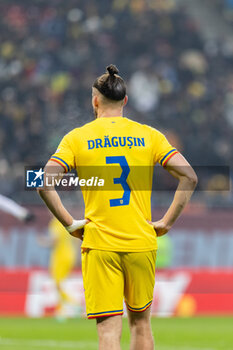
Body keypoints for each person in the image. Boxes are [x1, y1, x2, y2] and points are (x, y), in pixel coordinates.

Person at [38, 64, 197, 350]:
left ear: (95, 100)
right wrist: (167, 222)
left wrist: (70, 224)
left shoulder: (76, 138)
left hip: (99, 244)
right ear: (125, 101)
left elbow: (43, 183)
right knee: (141, 324)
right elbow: (190, 176)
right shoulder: (149, 136)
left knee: (109, 331)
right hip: (141, 241)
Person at [38, 217, 78, 318]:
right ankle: (61, 309)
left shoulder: (55, 223)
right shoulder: (67, 220)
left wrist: (43, 242)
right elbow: (75, 239)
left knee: (57, 283)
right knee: (60, 283)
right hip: (69, 254)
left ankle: (74, 304)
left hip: (60, 256)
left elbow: (55, 240)